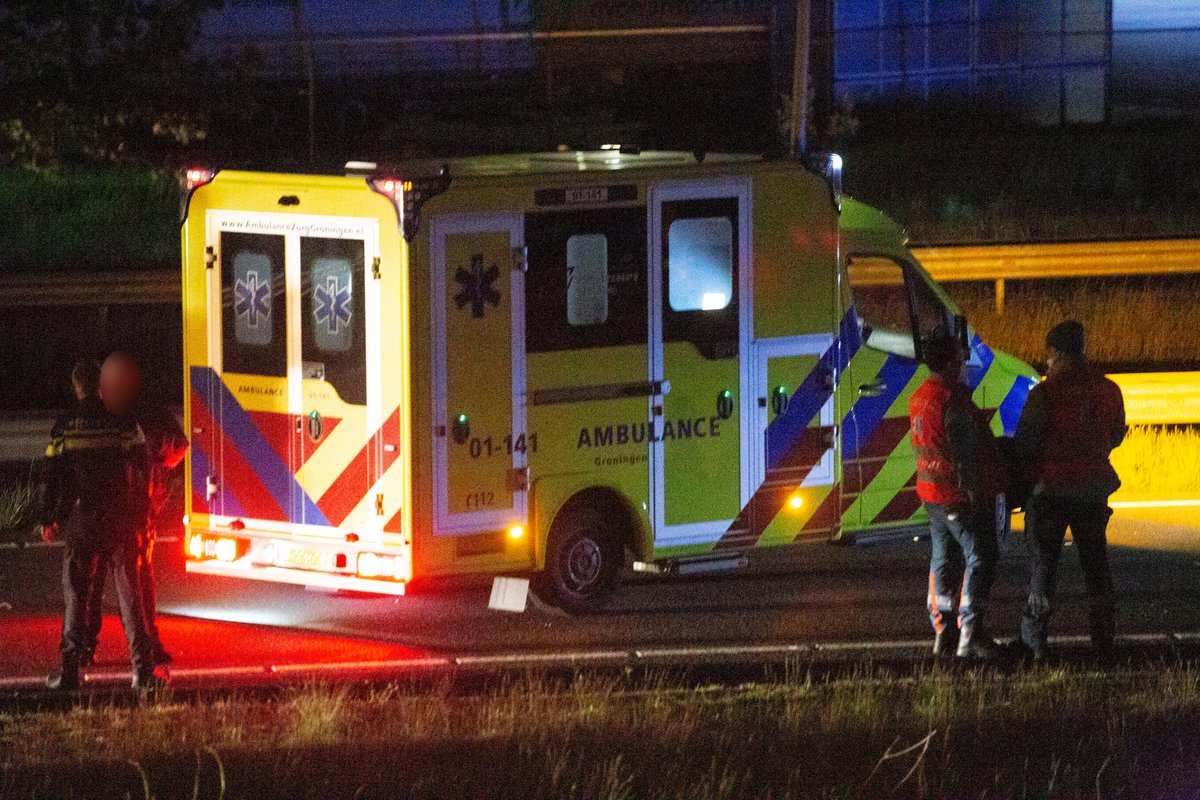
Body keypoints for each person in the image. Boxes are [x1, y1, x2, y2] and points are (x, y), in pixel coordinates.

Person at [39, 359, 158, 691]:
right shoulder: (123, 422)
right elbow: (144, 467)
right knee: (131, 596)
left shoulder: (65, 426)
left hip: (82, 520)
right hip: (121, 520)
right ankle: (143, 674)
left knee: (76, 595)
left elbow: (51, 476)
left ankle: (71, 673)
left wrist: (48, 516)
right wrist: (142, 513)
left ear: (77, 387)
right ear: (102, 386)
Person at [1013, 320, 1126, 661]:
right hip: (1093, 491)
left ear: (1057, 353)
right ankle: (1103, 642)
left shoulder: (1044, 394)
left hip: (1051, 491)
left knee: (1043, 569)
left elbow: (1026, 444)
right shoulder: (1109, 390)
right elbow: (1117, 433)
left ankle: (1035, 645)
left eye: (1048, 355)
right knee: (1096, 568)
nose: (1046, 362)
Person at [86, 351, 188, 668]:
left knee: (97, 582)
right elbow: (177, 449)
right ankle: (145, 650)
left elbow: (176, 446)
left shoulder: (101, 415)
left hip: (114, 514)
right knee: (136, 583)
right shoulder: (147, 413)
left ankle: (89, 649)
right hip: (134, 515)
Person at [909, 332, 1005, 659]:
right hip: (955, 496)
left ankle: (943, 632)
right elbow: (965, 457)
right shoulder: (953, 401)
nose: (965, 366)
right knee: (981, 556)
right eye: (963, 361)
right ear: (952, 362)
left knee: (943, 560)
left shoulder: (920, 396)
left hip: (931, 495)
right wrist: (978, 497)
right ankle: (971, 634)